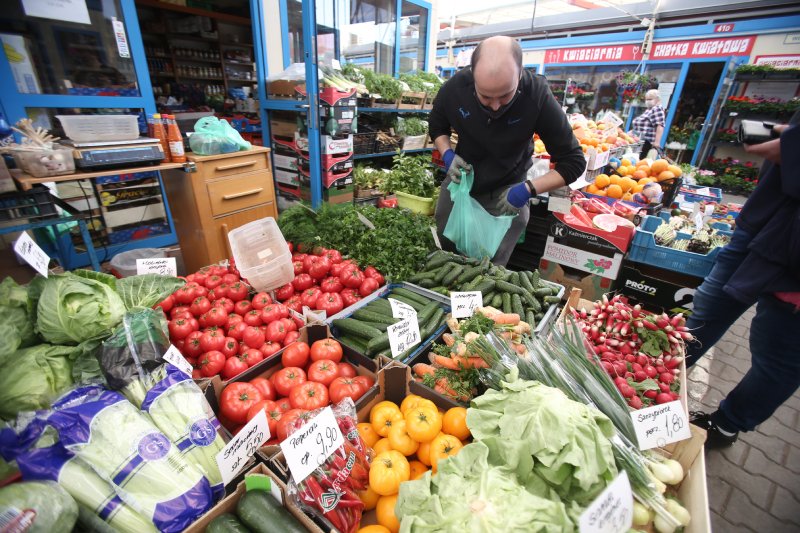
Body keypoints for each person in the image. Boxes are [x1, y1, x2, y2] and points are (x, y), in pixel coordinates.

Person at [686, 112, 800, 449]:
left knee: (779, 354)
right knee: (705, 312)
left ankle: (727, 423)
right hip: (762, 227)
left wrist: (793, 147)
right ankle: (656, 381)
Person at [428, 36, 586, 266]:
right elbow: (437, 125)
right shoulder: (455, 89)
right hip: (461, 185)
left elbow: (573, 162)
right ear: (473, 76)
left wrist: (527, 190)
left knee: (488, 270)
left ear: (520, 74)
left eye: (505, 96)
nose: (495, 106)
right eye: (485, 97)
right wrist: (448, 155)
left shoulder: (537, 95)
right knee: (444, 260)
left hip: (508, 193)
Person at [630, 89, 666, 159]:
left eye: (650, 99)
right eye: (646, 99)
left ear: (657, 99)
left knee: (638, 161)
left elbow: (660, 125)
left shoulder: (657, 109)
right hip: (639, 141)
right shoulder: (650, 109)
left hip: (646, 142)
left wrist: (657, 142)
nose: (647, 101)